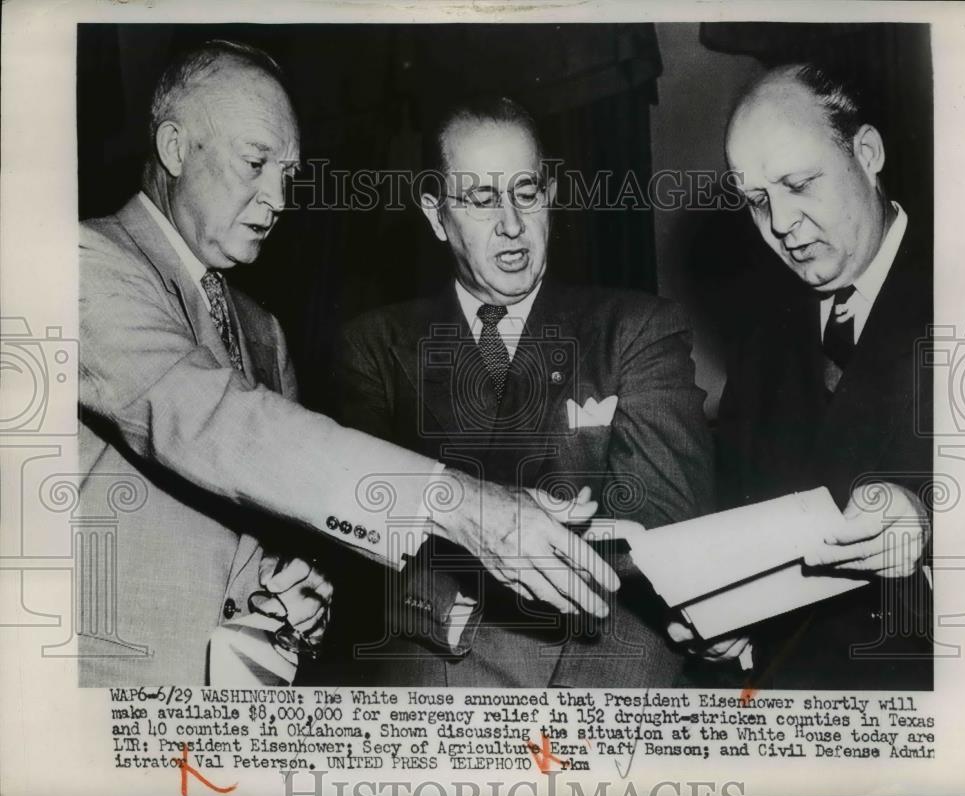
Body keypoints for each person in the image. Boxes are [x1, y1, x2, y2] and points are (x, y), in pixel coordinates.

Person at [78, 43, 617, 687]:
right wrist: (459, 501)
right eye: (255, 164)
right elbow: (206, 418)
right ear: (174, 147)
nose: (278, 197)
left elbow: (279, 503)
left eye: (288, 174)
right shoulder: (83, 260)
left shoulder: (264, 330)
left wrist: (301, 589)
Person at [320, 97, 714, 687]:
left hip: (602, 670)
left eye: (526, 193)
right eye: (481, 200)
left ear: (549, 194)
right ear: (435, 215)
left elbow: (664, 535)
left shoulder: (635, 328)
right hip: (439, 667)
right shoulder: (374, 347)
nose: (511, 223)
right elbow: (362, 533)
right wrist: (454, 621)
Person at [713, 63, 933, 689]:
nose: (780, 223)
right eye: (758, 199)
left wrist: (929, 528)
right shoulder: (761, 342)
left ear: (867, 153)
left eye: (799, 184)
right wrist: (726, 629)